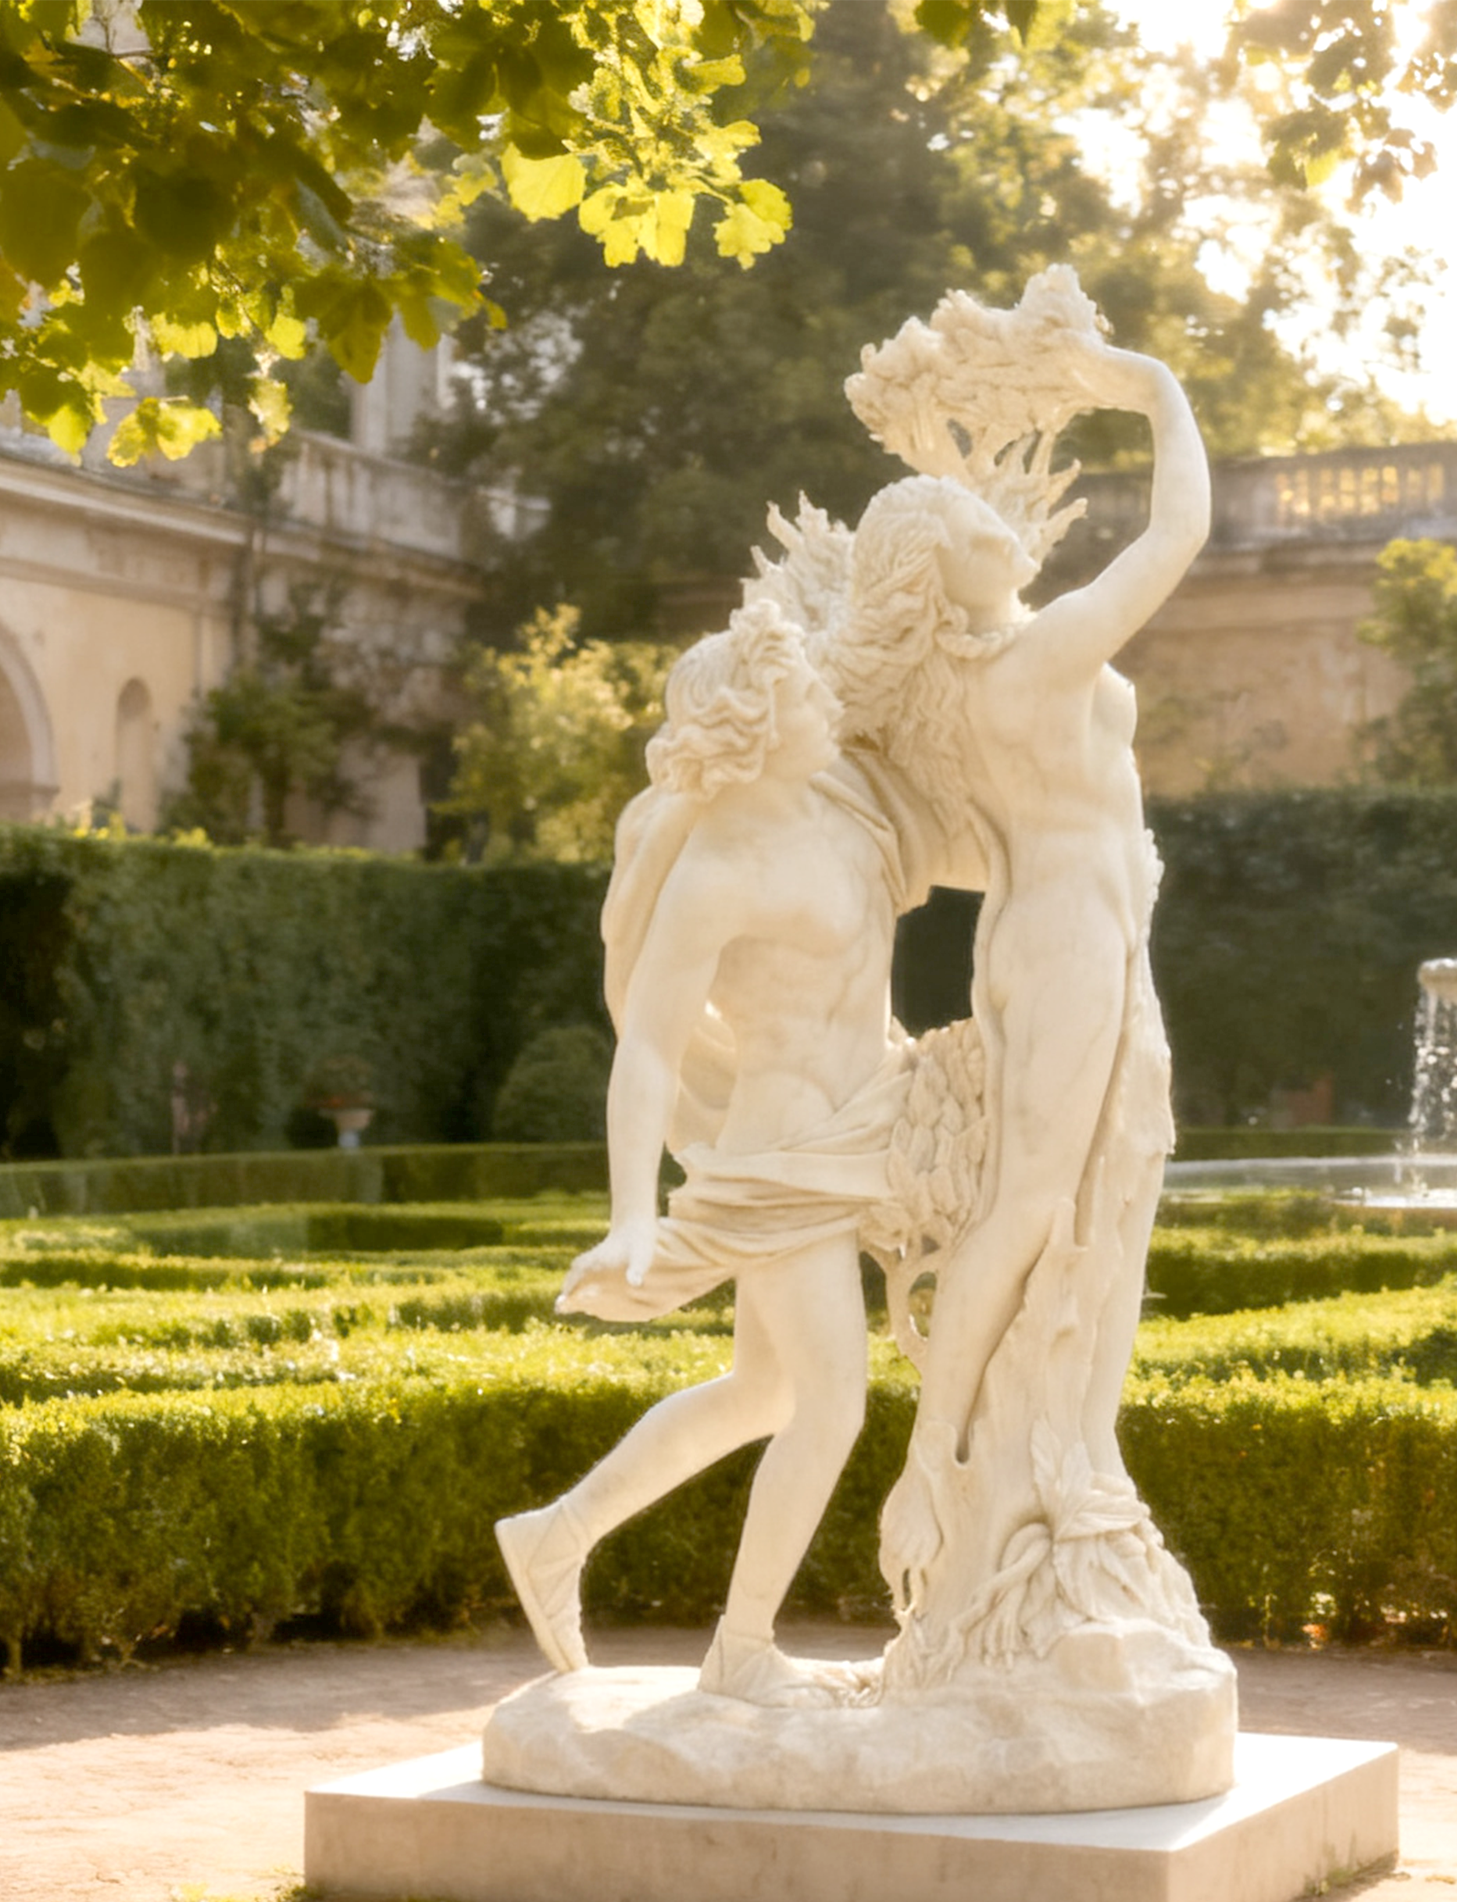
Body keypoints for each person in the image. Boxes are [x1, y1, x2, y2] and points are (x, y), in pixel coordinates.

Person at [829, 338, 1209, 1604]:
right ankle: (935, 1459)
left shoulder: (974, 683)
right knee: (1037, 1202)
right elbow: (1175, 533)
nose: (992, 523)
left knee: (1100, 1193)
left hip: (1060, 932)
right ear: (938, 573)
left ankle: (1069, 1449)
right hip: (1066, 939)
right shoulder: (1037, 659)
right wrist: (1153, 389)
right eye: (962, 524)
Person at [495, 598, 910, 1706]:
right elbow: (647, 1048)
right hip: (784, 1157)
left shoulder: (842, 798)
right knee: (830, 1404)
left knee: (763, 1390)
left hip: (866, 1126)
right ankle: (742, 1650)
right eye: (805, 693)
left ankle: (553, 1534)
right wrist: (633, 1210)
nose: (826, 700)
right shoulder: (718, 870)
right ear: (755, 728)